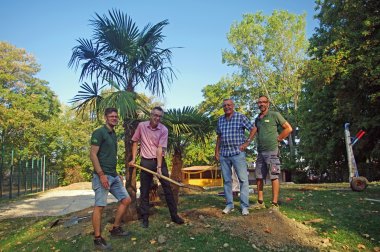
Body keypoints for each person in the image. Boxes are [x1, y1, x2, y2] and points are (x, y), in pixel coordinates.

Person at [129, 106, 184, 228]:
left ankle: (174, 216)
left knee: (167, 188)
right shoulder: (142, 126)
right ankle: (145, 218)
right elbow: (135, 141)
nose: (157, 118)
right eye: (155, 115)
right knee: (144, 190)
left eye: (159, 116)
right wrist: (133, 159)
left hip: (159, 161)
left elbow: (160, 148)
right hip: (145, 162)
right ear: (151, 115)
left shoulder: (163, 129)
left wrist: (159, 167)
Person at [90, 108, 132, 250]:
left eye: (116, 116)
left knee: (126, 200)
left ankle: (115, 228)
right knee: (100, 206)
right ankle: (97, 238)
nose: (114, 118)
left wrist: (116, 173)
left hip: (113, 175)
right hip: (102, 175)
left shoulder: (113, 134)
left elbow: (109, 157)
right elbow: (93, 155)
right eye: (111, 116)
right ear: (105, 118)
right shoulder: (99, 132)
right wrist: (101, 175)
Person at [215, 98, 256, 216]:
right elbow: (219, 137)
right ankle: (229, 204)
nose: (226, 107)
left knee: (243, 180)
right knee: (227, 180)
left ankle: (244, 206)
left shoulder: (240, 117)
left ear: (233, 106)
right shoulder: (220, 120)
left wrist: (247, 142)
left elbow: (253, 128)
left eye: (229, 105)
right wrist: (216, 151)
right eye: (224, 105)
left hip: (238, 153)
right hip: (224, 154)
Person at [251, 95, 292, 210]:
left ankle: (274, 204)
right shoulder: (257, 119)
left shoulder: (274, 115)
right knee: (259, 177)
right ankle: (260, 202)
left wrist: (279, 138)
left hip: (272, 151)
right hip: (260, 152)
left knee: (274, 176)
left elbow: (288, 128)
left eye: (264, 102)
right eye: (259, 102)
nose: (261, 104)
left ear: (268, 103)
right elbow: (255, 132)